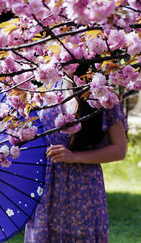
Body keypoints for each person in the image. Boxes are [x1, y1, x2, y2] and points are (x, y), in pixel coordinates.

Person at [24, 77, 128, 243]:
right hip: (46, 186)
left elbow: (119, 150)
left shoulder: (103, 94)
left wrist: (75, 157)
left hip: (83, 187)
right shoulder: (47, 88)